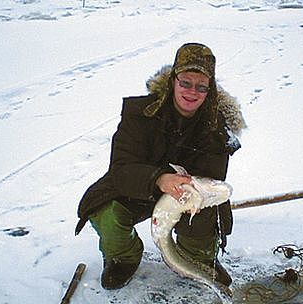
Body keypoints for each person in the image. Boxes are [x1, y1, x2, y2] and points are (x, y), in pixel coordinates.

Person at [75, 43, 245, 290]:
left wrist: (192, 194)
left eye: (201, 86)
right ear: (173, 80)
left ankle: (198, 259)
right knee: (106, 211)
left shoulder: (216, 127)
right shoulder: (139, 114)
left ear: (210, 90)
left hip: (185, 197)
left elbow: (213, 176)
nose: (192, 92)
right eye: (185, 82)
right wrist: (159, 178)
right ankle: (124, 257)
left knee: (208, 211)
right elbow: (121, 168)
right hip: (137, 189)